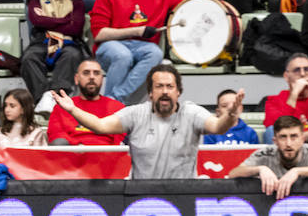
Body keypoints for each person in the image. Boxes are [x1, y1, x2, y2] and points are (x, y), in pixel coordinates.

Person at [53, 64, 243, 177]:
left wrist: (231, 114)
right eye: (159, 86)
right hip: (142, 196)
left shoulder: (191, 112)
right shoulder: (135, 114)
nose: (165, 91)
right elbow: (100, 126)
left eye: (170, 86)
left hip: (184, 194)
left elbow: (218, 127)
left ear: (178, 92)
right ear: (151, 93)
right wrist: (73, 109)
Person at [91, 0, 182, 103]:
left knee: (155, 53)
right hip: (110, 46)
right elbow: (99, 34)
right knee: (123, 55)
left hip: (142, 47)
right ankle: (112, 103)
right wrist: (137, 31)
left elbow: (188, 4)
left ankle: (113, 100)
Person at [20, 0, 89, 101]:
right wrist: (65, 20)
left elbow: (75, 28)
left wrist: (47, 20)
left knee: (71, 56)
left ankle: (57, 98)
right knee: (29, 58)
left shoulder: (75, 0)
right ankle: (43, 100)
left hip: (69, 42)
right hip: (42, 41)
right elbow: (37, 21)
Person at [228, 114, 308, 197]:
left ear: (303, 139)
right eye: (283, 137)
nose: (288, 143)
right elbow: (233, 173)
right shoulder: (265, 154)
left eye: (294, 136)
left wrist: (297, 171)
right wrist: (260, 169)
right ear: (275, 141)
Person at [46, 58, 124, 146]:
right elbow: (56, 136)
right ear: (76, 79)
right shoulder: (62, 106)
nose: (92, 77)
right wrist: (81, 148)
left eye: (96, 73)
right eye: (86, 73)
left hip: (108, 156)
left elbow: (121, 140)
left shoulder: (117, 107)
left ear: (102, 79)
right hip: (72, 156)